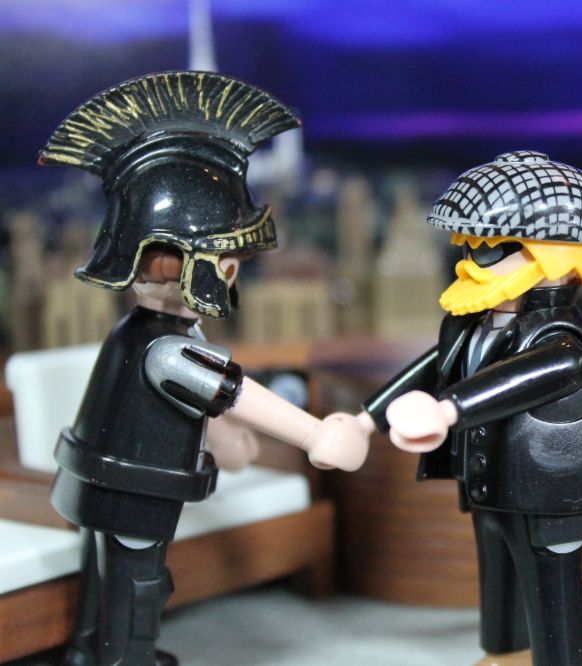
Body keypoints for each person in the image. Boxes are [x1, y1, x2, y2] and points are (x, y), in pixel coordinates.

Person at [38, 71, 368, 666]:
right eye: (229, 259)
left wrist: (221, 439)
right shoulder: (166, 348)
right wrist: (316, 433)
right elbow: (231, 391)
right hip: (134, 494)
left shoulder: (138, 333)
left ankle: (88, 654)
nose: (234, 271)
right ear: (189, 264)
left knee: (104, 583)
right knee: (135, 589)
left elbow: (187, 405)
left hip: (100, 484)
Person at [338, 151, 582, 666]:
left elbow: (520, 380)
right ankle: (505, 655)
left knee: (552, 597)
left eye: (489, 251)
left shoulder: (561, 339)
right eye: (466, 248)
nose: (468, 264)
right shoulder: (474, 325)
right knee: (499, 578)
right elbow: (432, 368)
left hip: (548, 497)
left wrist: (447, 412)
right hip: (491, 485)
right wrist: (365, 420)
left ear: (553, 259)